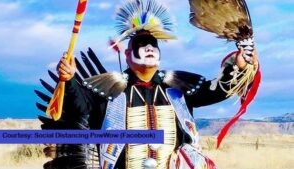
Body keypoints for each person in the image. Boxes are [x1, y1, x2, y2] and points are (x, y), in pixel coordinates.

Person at [43, 0, 259, 168]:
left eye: (153, 44)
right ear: (127, 54)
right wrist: (69, 79)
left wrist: (237, 67)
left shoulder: (179, 86)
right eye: (141, 44)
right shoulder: (109, 89)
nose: (148, 48)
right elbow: (81, 107)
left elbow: (216, 91)